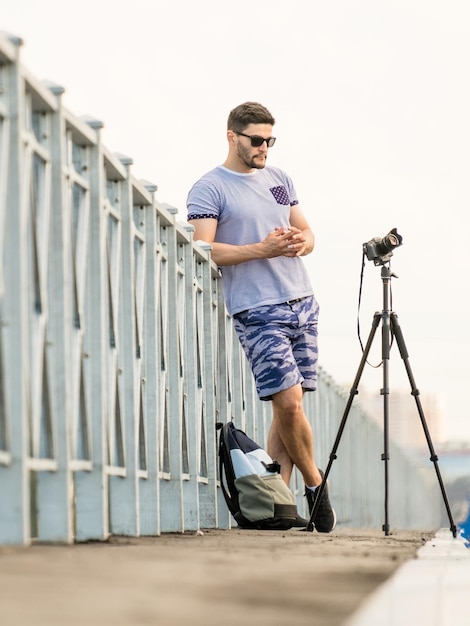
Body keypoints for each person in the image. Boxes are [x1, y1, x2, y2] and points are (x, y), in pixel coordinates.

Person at [186, 101, 336, 532]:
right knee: (287, 404)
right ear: (232, 136)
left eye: (270, 140)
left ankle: (276, 506)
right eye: (257, 140)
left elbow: (307, 231)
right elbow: (205, 249)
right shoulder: (209, 188)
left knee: (287, 411)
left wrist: (298, 242)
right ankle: (315, 486)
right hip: (257, 310)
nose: (264, 148)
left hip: (302, 300)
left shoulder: (279, 179)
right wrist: (262, 250)